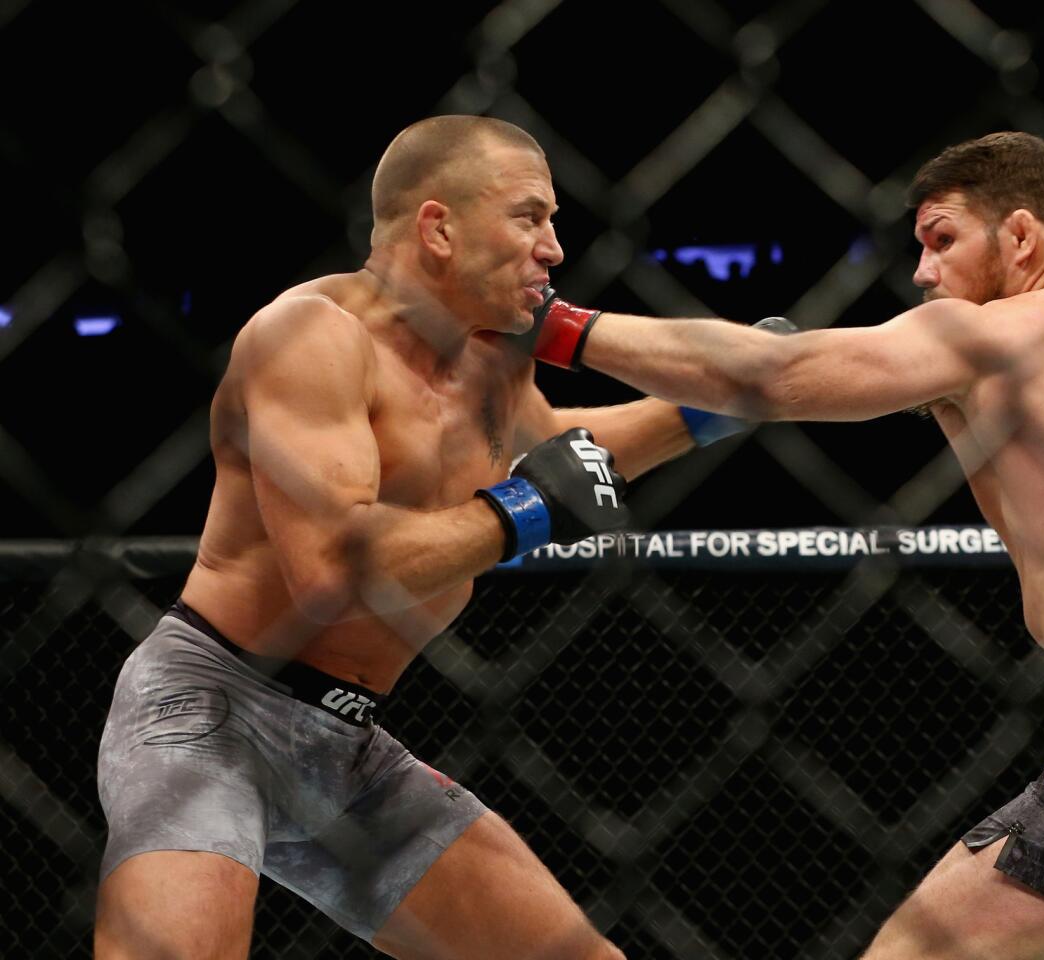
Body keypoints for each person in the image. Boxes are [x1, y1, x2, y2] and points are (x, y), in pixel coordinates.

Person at [524, 132, 1044, 959]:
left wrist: (554, 328)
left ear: (1021, 235)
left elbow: (776, 374)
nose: (922, 273)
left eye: (942, 239)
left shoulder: (987, 336)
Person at [93, 115, 742, 959]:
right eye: (528, 216)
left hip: (349, 749)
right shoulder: (310, 335)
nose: (552, 247)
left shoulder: (493, 359)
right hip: (213, 710)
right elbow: (332, 570)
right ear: (439, 226)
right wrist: (524, 512)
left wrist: (699, 412)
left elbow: (560, 457)